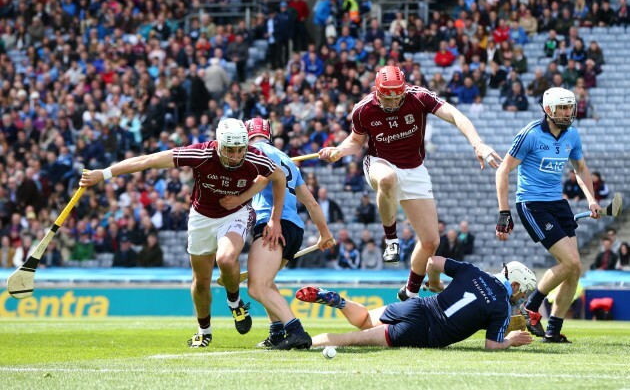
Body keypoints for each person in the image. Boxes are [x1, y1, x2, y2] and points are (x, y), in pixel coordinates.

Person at [80, 118, 287, 348]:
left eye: (241, 149)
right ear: (219, 145)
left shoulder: (254, 157)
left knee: (226, 258)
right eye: (231, 150)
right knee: (201, 282)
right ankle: (204, 331)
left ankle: (234, 302)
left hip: (235, 215)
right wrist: (105, 174)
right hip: (201, 218)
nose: (237, 156)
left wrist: (274, 219)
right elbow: (148, 160)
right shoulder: (200, 154)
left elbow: (278, 177)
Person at [318, 64, 502, 303]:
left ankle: (410, 293)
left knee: (430, 242)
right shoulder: (363, 110)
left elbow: (456, 115)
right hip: (380, 162)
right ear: (378, 91)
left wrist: (478, 144)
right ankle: (391, 239)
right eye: (388, 97)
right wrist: (339, 151)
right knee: (387, 179)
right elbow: (356, 141)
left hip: (415, 169)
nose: (394, 102)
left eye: (398, 96)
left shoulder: (419, 97)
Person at [496, 87, 602, 343]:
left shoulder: (572, 135)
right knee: (572, 262)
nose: (568, 112)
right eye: (562, 108)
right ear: (548, 110)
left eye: (570, 107)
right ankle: (532, 306)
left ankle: (553, 329)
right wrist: (504, 212)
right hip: (533, 204)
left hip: (558, 204)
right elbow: (503, 170)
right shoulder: (530, 134)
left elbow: (581, 168)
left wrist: (591, 200)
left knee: (574, 270)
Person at [221, 117, 335, 350]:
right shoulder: (287, 160)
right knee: (266, 282)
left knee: (256, 287)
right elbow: (312, 204)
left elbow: (264, 179)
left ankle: (296, 331)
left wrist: (243, 201)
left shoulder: (252, 152)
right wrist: (324, 234)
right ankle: (276, 332)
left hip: (274, 225)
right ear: (269, 134)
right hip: (295, 230)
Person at [297, 257, 536, 349]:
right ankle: (303, 344)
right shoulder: (501, 307)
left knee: (364, 320)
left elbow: (432, 261)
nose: (521, 297)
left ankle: (339, 302)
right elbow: (492, 346)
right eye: (522, 292)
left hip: (418, 305)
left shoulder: (473, 271)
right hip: (424, 332)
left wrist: (436, 284)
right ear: (514, 285)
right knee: (348, 340)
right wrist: (510, 341)